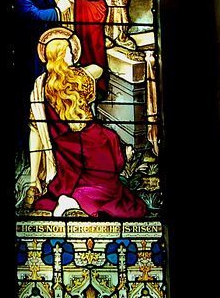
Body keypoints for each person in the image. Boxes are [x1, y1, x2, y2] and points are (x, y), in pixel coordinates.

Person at [23, 27, 146, 218]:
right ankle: (74, 200)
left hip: (67, 153)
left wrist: (33, 180)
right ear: (61, 56)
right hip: (93, 145)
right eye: (69, 52)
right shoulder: (79, 77)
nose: (73, 55)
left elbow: (36, 131)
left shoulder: (40, 87)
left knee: (103, 178)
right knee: (112, 190)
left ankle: (71, 198)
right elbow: (98, 69)